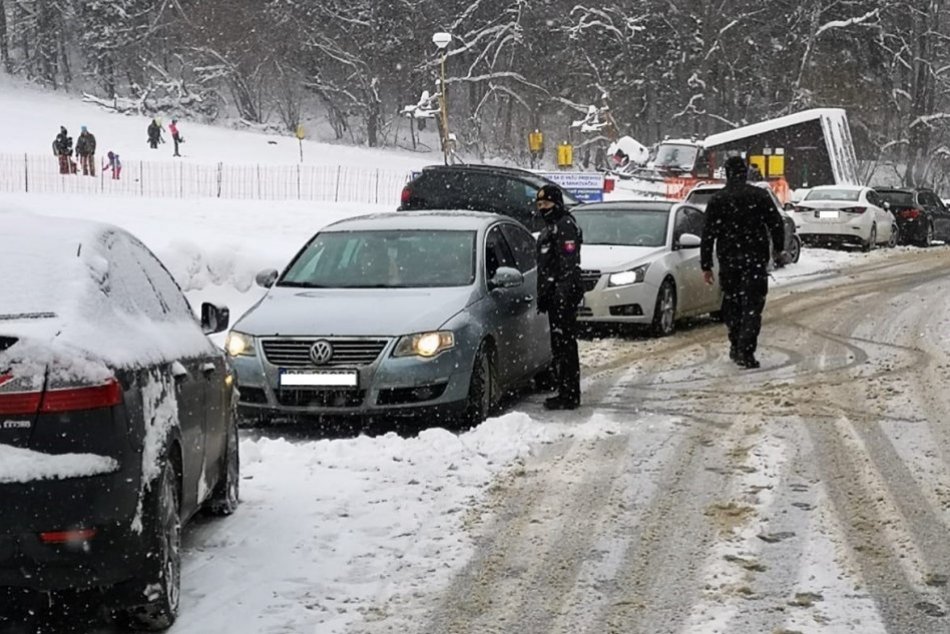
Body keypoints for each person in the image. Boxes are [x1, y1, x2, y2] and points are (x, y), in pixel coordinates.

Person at [701, 156, 787, 369]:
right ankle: (746, 350)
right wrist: (777, 249)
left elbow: (708, 234)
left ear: (727, 173)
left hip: (729, 261)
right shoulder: (759, 196)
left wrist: (706, 265)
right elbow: (775, 223)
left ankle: (735, 343)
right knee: (752, 306)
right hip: (754, 260)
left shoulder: (718, 199)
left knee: (732, 304)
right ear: (745, 172)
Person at [535, 184, 584, 410]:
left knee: (565, 344)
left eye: (546, 204)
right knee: (559, 344)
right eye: (539, 205)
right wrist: (544, 294)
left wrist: (560, 295)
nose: (542, 208)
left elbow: (567, 264)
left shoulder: (564, 226)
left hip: (564, 294)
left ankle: (570, 393)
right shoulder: (551, 227)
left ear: (556, 204)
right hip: (555, 294)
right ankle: (564, 389)